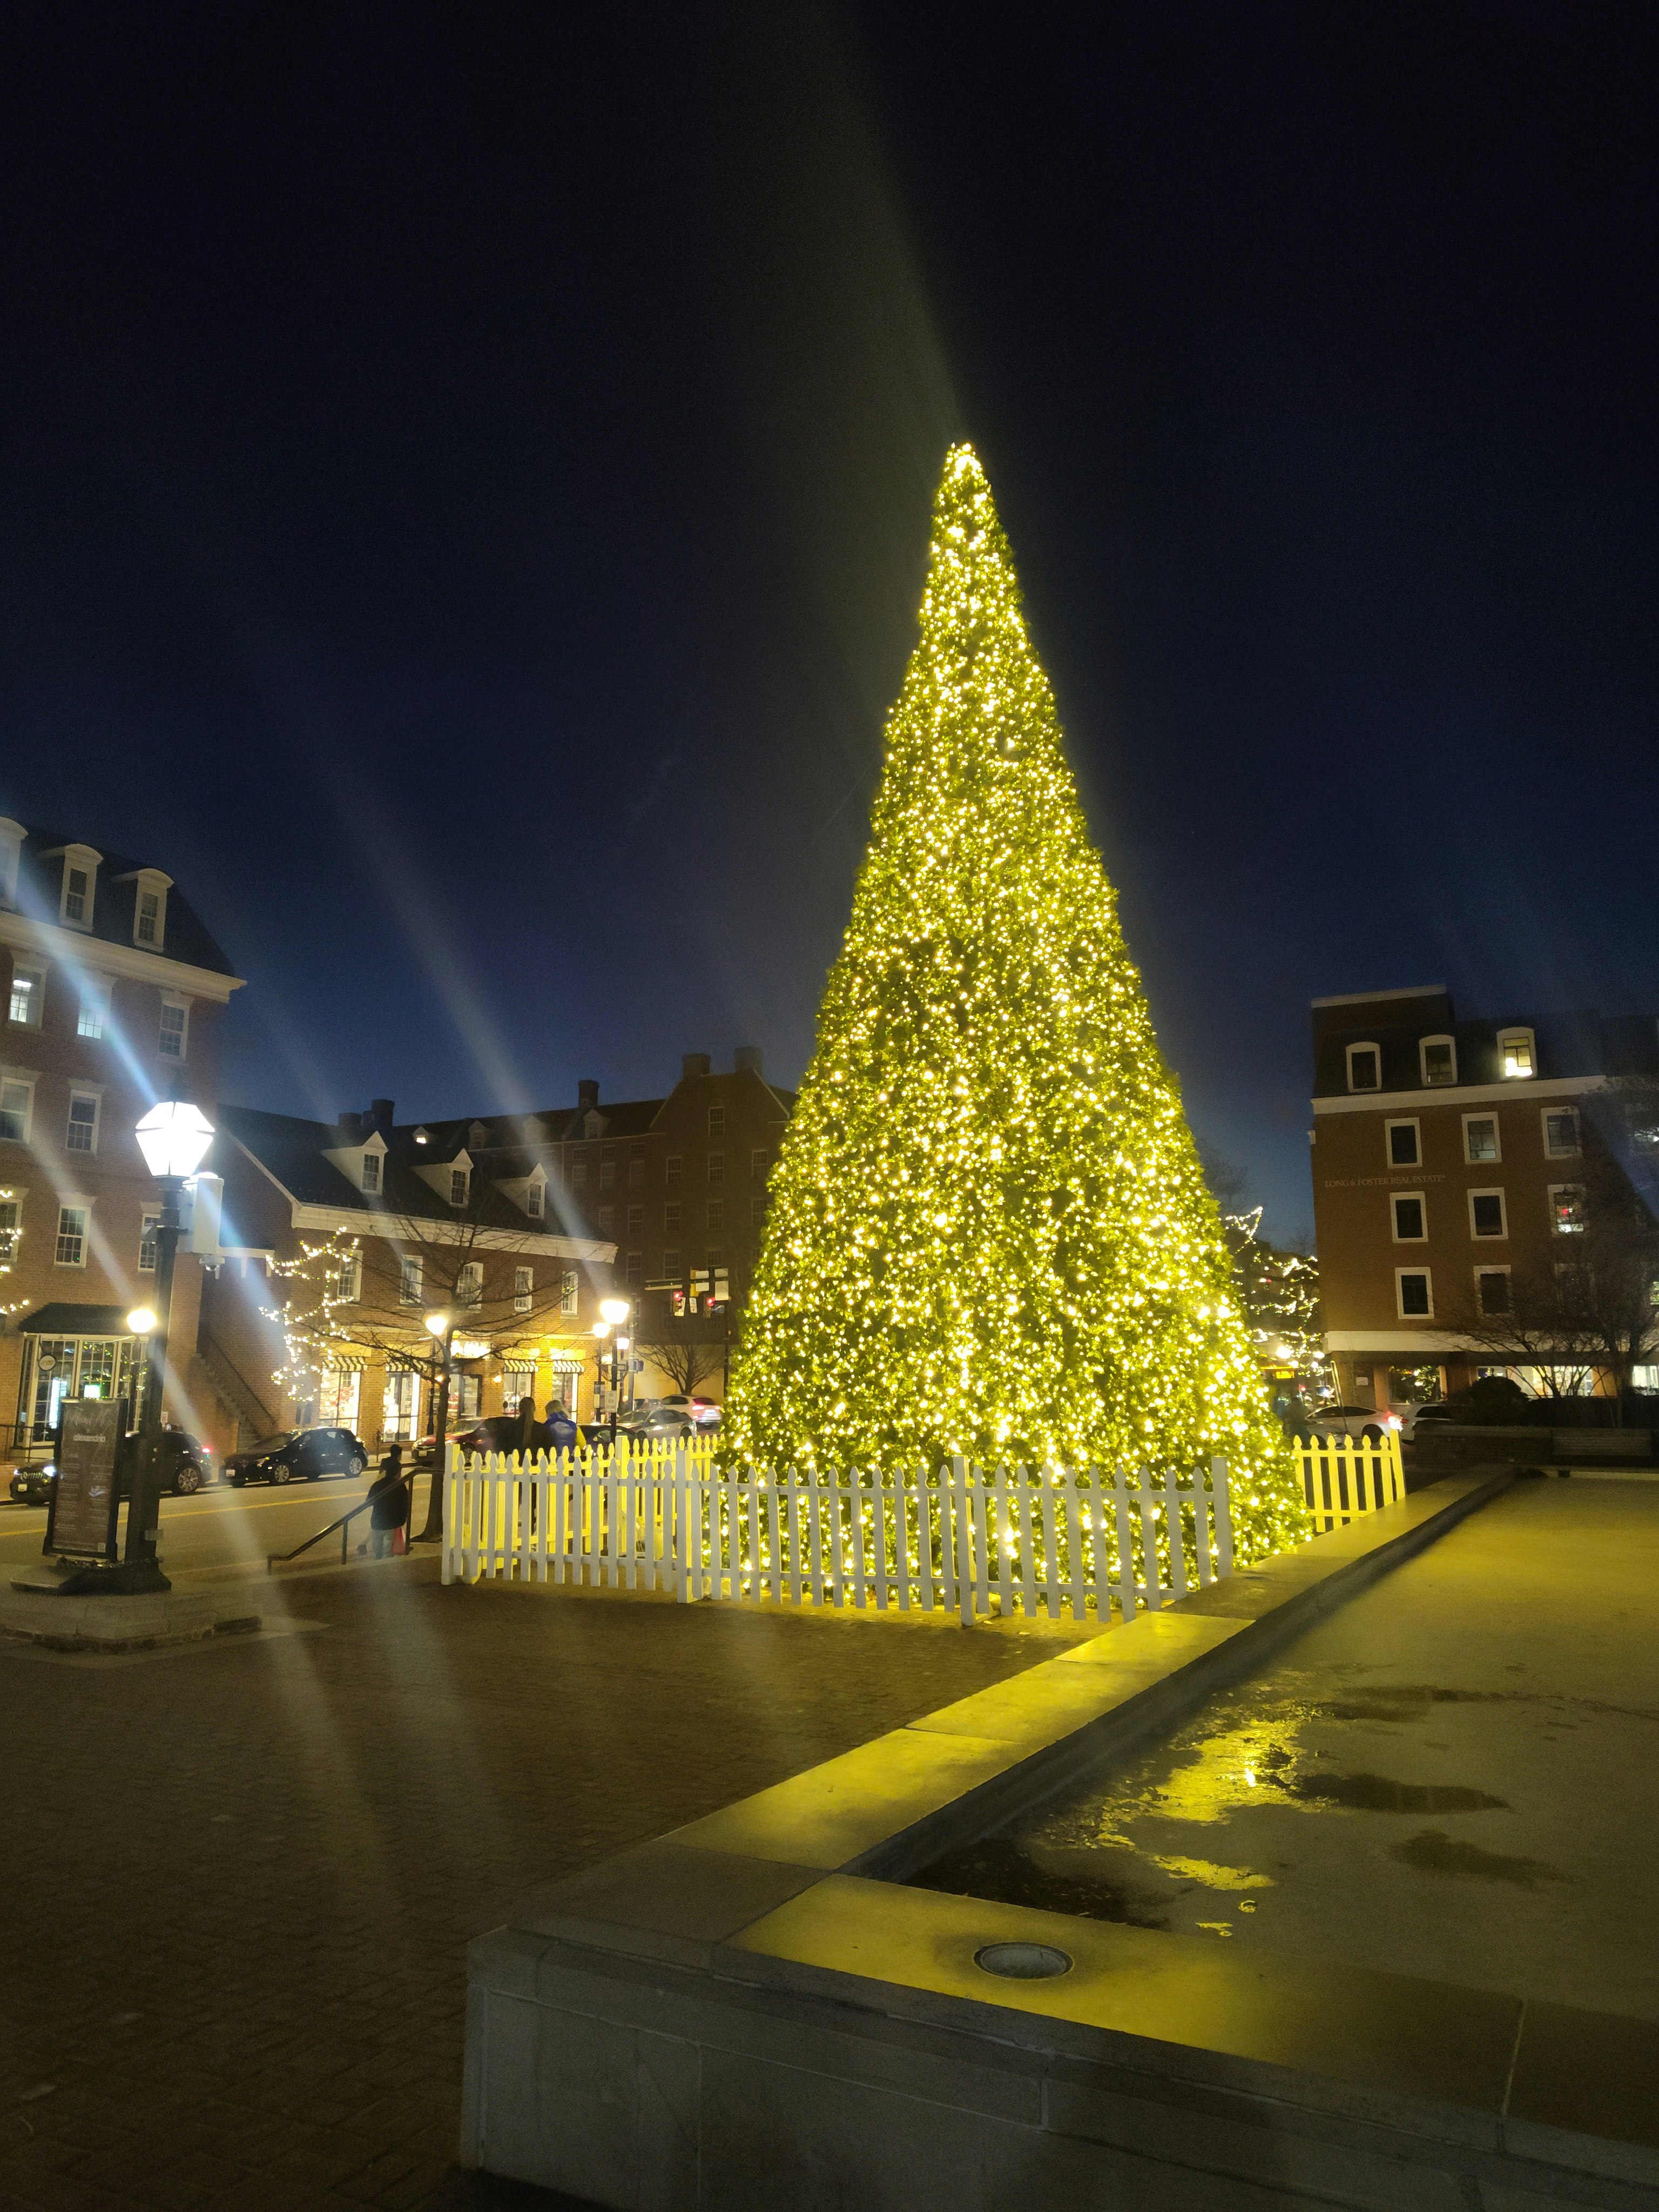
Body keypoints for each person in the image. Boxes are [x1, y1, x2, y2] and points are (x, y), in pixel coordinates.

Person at [366, 1446, 410, 1558]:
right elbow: (405, 1506)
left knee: (378, 1551)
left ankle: (377, 1565)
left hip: (377, 1522)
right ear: (398, 1473)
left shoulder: (377, 1485)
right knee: (388, 1551)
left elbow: (369, 1502)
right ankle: (384, 1570)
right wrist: (401, 1522)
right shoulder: (400, 1487)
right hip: (391, 1524)